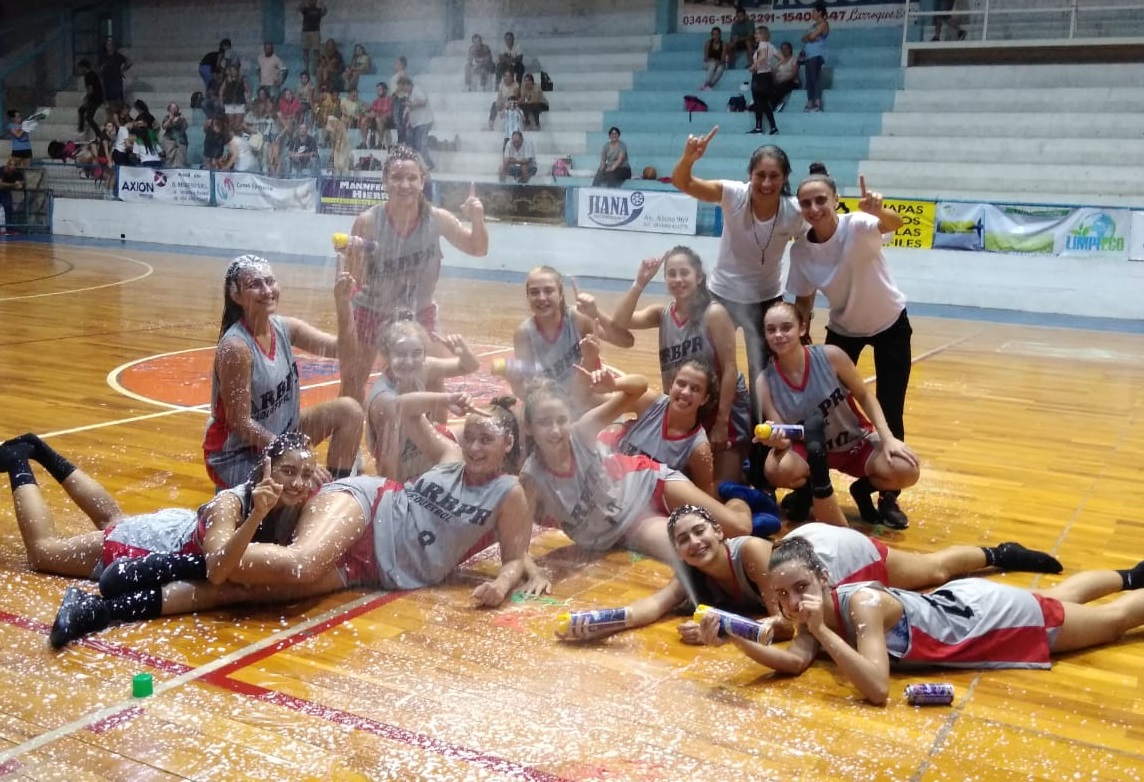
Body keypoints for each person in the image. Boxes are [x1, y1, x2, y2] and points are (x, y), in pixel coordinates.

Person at [47, 400, 544, 647]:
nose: (474, 447)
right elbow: (399, 407)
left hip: (376, 569)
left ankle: (97, 610)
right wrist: (451, 399)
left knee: (242, 593)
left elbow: (516, 558)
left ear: (508, 445)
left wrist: (501, 587)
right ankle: (162, 565)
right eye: (471, 436)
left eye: (487, 440)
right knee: (299, 562)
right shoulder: (450, 457)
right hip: (367, 506)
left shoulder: (510, 492)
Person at [699, 535, 1144, 705]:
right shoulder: (814, 610)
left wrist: (820, 633)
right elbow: (796, 661)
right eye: (783, 595)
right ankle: (1131, 576)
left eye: (801, 588)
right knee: (1059, 599)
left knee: (1112, 621)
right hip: (964, 605)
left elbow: (877, 689)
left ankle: (1132, 584)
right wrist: (736, 637)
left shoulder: (862, 605)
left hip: (990, 621)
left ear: (824, 578)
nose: (795, 602)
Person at [557, 504, 1062, 642]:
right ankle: (994, 556)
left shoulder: (751, 552)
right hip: (806, 567)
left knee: (932, 570)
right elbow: (653, 606)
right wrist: (601, 622)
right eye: (683, 541)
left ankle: (998, 553)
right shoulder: (691, 573)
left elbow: (789, 622)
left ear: (718, 532)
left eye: (700, 532)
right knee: (929, 574)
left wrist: (724, 629)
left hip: (834, 557)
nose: (694, 543)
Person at [0, 432, 320, 584]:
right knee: (44, 552)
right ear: (265, 469)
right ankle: (18, 461)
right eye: (288, 471)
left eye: (307, 474)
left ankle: (38, 448)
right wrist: (256, 517)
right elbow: (218, 571)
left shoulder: (301, 499)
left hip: (175, 527)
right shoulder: (230, 504)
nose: (298, 483)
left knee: (113, 520)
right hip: (147, 543)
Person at [519, 373, 767, 566]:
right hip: (630, 524)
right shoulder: (531, 477)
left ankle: (737, 498)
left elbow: (639, 386)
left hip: (650, 481)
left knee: (739, 528)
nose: (555, 430)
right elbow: (519, 547)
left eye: (561, 420)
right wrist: (532, 572)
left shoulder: (582, 431)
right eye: (544, 423)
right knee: (691, 553)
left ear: (570, 419)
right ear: (528, 427)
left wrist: (613, 383)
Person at [788, 167, 914, 528]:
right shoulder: (802, 251)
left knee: (891, 408)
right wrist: (800, 332)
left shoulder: (858, 224)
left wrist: (879, 210)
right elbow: (804, 298)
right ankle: (813, 485)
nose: (814, 208)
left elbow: (896, 223)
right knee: (823, 408)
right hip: (843, 329)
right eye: (806, 203)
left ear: (835, 200)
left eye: (821, 200)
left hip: (891, 324)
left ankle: (886, 495)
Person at [340, 145, 487, 403]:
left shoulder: (437, 218)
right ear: (385, 181)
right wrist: (352, 257)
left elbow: (478, 249)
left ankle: (437, 426)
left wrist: (477, 216)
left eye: (412, 178)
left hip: (419, 311)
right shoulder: (368, 222)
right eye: (396, 177)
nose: (404, 185)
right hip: (372, 310)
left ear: (422, 181)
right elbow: (356, 280)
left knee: (434, 380)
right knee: (353, 380)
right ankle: (352, 426)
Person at [203, 255, 363, 490]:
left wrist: (343, 304)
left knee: (349, 410)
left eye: (270, 281)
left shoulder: (285, 327)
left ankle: (337, 492)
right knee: (302, 487)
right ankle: (242, 496)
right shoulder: (236, 348)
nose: (267, 290)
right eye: (255, 284)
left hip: (281, 436)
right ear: (236, 296)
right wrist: (294, 454)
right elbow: (240, 423)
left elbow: (345, 351)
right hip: (239, 453)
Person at [671, 134, 804, 411]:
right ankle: (707, 425)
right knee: (706, 367)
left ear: (784, 178)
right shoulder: (734, 195)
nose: (766, 183)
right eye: (760, 175)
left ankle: (761, 431)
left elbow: (823, 236)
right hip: (721, 298)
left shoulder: (793, 212)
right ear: (750, 175)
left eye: (774, 176)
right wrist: (688, 159)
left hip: (766, 300)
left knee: (763, 373)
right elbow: (683, 182)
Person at [757, 301, 919, 528]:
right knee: (776, 470)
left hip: (854, 442)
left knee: (907, 469)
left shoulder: (831, 356)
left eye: (786, 327)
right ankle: (809, 490)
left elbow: (864, 395)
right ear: (765, 335)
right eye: (771, 329)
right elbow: (785, 435)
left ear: (802, 328)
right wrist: (776, 442)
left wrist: (888, 437)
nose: (778, 335)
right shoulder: (764, 381)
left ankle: (862, 490)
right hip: (810, 451)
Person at [610, 248, 752, 487]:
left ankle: (743, 461)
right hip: (686, 405)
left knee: (723, 488)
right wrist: (640, 282)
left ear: (699, 277)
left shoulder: (714, 313)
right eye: (671, 274)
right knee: (679, 480)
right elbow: (620, 322)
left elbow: (730, 369)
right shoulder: (662, 313)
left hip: (721, 406)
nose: (677, 279)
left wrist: (721, 422)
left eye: (684, 273)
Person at [366, 314, 479, 482]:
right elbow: (387, 468)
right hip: (406, 472)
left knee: (480, 432)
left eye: (417, 353)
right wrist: (400, 494)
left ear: (425, 354)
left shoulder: (425, 367)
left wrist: (462, 351)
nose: (409, 361)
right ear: (387, 355)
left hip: (425, 451)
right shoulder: (383, 400)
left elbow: (470, 366)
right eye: (400, 354)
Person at [509, 265, 634, 413]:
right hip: (552, 408)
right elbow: (523, 388)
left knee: (638, 399)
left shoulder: (578, 318)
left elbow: (626, 342)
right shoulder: (524, 334)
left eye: (548, 290)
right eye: (534, 292)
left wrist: (596, 313)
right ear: (528, 297)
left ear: (561, 294)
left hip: (588, 399)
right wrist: (517, 385)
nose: (541, 297)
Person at [597, 360, 717, 496]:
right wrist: (608, 384)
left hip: (643, 504)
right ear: (671, 386)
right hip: (606, 481)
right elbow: (599, 403)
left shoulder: (699, 449)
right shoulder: (650, 402)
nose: (685, 392)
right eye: (681, 384)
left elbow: (705, 496)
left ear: (704, 399)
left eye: (695, 389)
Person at [747, 27, 780, 135]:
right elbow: (781, 58)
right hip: (767, 76)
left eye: (758, 33)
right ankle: (773, 127)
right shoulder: (771, 46)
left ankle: (758, 128)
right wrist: (773, 67)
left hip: (760, 76)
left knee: (758, 102)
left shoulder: (762, 44)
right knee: (764, 103)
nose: (755, 36)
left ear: (763, 35)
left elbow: (763, 57)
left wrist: (754, 65)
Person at [398, 76, 435, 170]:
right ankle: (416, 164)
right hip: (416, 123)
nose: (402, 90)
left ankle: (429, 164)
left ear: (406, 85)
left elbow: (423, 102)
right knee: (412, 145)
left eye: (402, 88)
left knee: (421, 146)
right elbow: (411, 110)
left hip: (424, 121)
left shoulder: (417, 90)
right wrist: (408, 121)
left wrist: (411, 104)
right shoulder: (409, 94)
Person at [801, 1, 829, 112]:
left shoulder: (823, 24)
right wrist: (810, 38)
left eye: (814, 11)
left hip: (817, 54)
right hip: (808, 55)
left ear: (820, 12)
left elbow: (811, 36)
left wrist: (809, 37)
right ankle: (810, 102)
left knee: (815, 77)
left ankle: (817, 101)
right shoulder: (813, 26)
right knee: (808, 79)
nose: (812, 13)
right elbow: (804, 38)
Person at [99, 39, 133, 118]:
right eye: (107, 45)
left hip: (116, 79)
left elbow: (129, 62)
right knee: (109, 100)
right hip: (107, 80)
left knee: (118, 99)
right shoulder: (104, 56)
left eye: (110, 45)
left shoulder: (118, 56)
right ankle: (113, 117)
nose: (108, 46)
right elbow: (100, 67)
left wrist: (122, 70)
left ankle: (122, 115)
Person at [299, 0, 327, 76]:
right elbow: (300, 8)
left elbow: (324, 12)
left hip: (315, 32)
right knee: (305, 51)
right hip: (305, 32)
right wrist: (303, 2)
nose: (311, 2)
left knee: (316, 51)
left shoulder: (318, 10)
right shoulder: (305, 9)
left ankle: (316, 68)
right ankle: (306, 68)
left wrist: (322, 4)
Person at [77, 60, 104, 137]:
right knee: (81, 110)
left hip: (95, 99)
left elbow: (90, 90)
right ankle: (80, 129)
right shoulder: (91, 74)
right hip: (95, 98)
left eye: (80, 68)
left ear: (84, 68)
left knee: (88, 117)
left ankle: (99, 134)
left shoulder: (89, 76)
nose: (79, 71)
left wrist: (86, 99)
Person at [771, 42, 800, 112]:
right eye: (782, 49)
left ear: (790, 49)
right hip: (779, 81)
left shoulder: (794, 60)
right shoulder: (779, 61)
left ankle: (777, 104)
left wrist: (783, 80)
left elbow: (795, 75)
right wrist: (774, 80)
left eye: (786, 48)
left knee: (779, 88)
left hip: (791, 82)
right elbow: (774, 72)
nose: (784, 50)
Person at [160, 103, 189, 169]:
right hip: (169, 140)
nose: (174, 109)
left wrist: (183, 119)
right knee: (170, 156)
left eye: (176, 108)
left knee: (181, 157)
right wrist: (170, 119)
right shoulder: (166, 117)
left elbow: (185, 126)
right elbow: (164, 127)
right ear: (169, 109)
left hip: (181, 139)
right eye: (172, 108)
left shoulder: (181, 117)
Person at [0, 158, 25, 232]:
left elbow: (20, 185)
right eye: (11, 164)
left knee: (9, 209)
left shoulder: (17, 173)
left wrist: (6, 185)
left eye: (14, 165)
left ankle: (9, 228)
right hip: (3, 191)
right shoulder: (2, 170)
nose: (12, 166)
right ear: (8, 165)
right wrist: (13, 185)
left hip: (5, 192)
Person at [700, 27, 725, 91]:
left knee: (720, 68)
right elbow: (706, 58)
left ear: (720, 35)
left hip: (719, 63)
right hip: (708, 63)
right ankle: (707, 83)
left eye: (717, 34)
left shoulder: (723, 44)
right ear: (712, 35)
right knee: (713, 64)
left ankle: (708, 86)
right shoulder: (708, 43)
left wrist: (717, 62)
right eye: (714, 34)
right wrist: (713, 61)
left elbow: (722, 59)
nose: (715, 36)